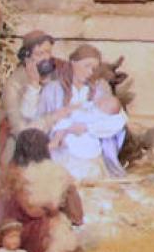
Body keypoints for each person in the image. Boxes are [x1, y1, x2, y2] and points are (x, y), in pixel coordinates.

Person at [5, 128, 89, 252]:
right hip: (46, 232)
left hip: (16, 234)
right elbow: (76, 213)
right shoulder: (57, 172)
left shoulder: (11, 173)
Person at [49, 45, 127, 180]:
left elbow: (118, 120)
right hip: (61, 152)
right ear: (73, 63)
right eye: (86, 66)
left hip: (90, 153)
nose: (90, 72)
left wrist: (88, 127)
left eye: (94, 68)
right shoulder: (54, 89)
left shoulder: (98, 90)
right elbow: (41, 119)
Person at [0, 31, 64, 162]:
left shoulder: (56, 76)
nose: (47, 58)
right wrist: (34, 87)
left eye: (49, 52)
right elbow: (20, 130)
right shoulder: (14, 84)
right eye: (40, 54)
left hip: (56, 143)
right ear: (26, 57)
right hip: (24, 150)